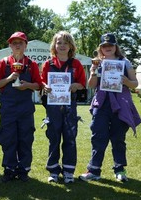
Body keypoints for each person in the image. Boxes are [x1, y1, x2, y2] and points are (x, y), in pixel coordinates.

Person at [79, 33, 141, 182]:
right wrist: (93, 72)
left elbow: (135, 84)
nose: (108, 47)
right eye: (104, 45)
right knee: (98, 137)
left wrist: (126, 80)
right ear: (100, 48)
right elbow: (91, 85)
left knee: (118, 138)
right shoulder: (97, 62)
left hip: (120, 104)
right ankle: (94, 170)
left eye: (110, 45)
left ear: (115, 47)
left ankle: (120, 169)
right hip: (101, 104)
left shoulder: (125, 62)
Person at [0, 31, 42, 182]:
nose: (17, 45)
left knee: (26, 138)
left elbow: (39, 85)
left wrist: (27, 85)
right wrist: (9, 78)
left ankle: (23, 169)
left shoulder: (31, 64)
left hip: (26, 108)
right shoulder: (3, 63)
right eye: (14, 42)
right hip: (8, 108)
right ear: (10, 46)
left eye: (20, 42)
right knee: (8, 138)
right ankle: (9, 169)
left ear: (26, 45)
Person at [41, 31, 86, 184]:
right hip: (53, 107)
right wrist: (45, 87)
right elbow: (42, 82)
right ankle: (53, 171)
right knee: (53, 139)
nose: (62, 45)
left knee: (70, 139)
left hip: (69, 106)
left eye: (65, 43)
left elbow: (82, 84)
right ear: (54, 45)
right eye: (59, 42)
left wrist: (76, 85)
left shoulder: (76, 64)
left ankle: (68, 171)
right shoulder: (48, 64)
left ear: (70, 46)